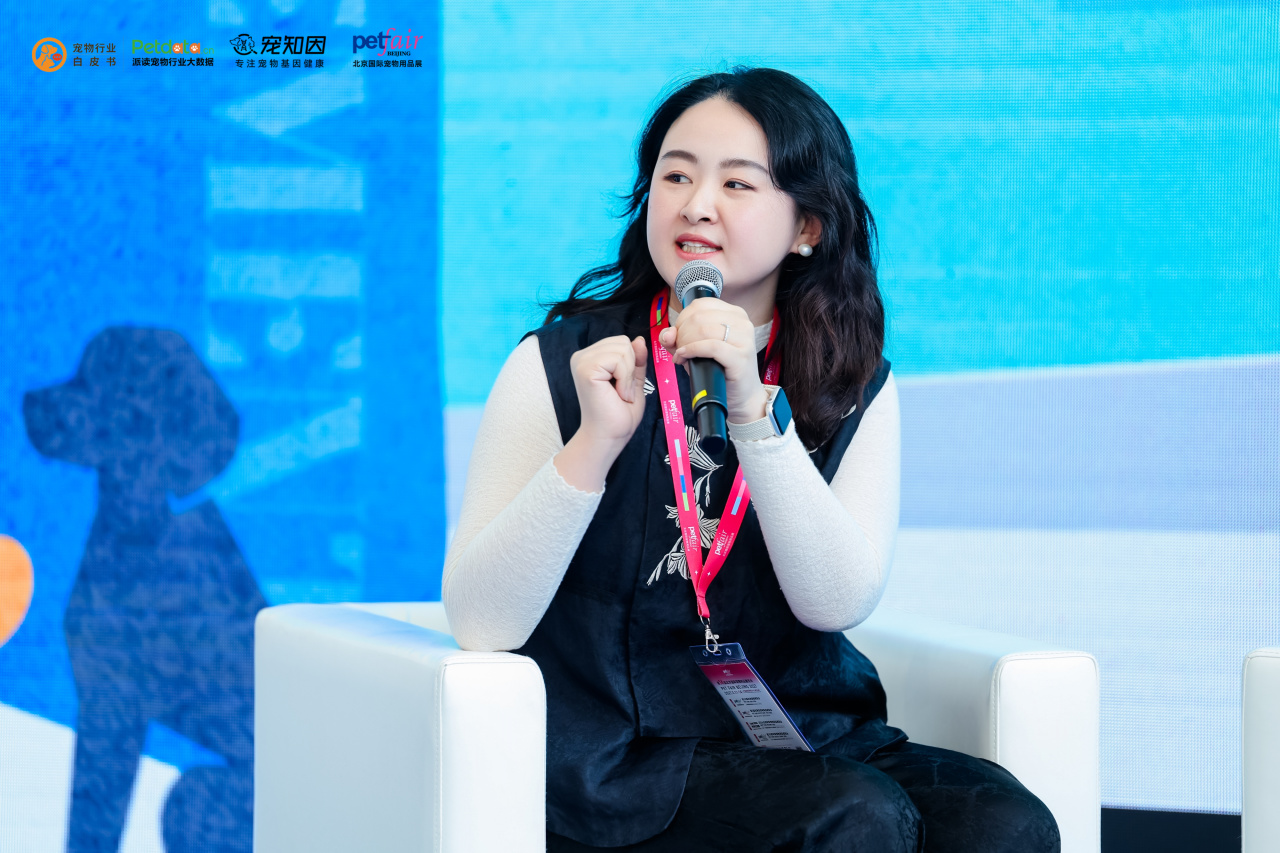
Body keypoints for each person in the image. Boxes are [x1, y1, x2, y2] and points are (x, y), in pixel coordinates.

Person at [443, 67, 1060, 852]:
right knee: (853, 815)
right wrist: (593, 443)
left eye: (737, 183)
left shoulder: (851, 380)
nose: (696, 204)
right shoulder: (565, 363)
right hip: (616, 752)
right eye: (675, 175)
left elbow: (835, 601)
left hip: (802, 731)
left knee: (1005, 821)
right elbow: (481, 620)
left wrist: (753, 417)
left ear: (808, 228)